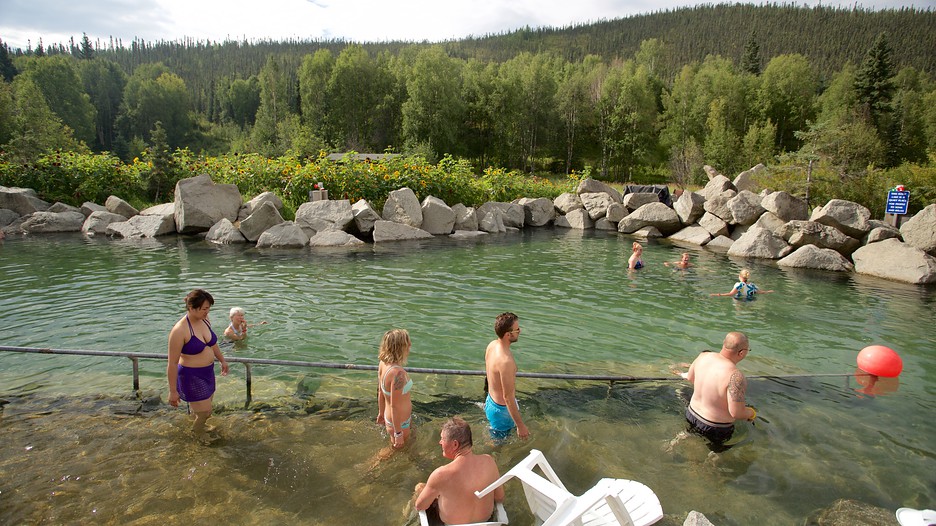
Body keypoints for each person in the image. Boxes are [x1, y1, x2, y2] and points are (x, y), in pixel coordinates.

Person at [413, 417, 505, 525]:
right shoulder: (489, 462)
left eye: (442, 438)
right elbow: (500, 497)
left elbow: (420, 506)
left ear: (455, 444)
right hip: (487, 522)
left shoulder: (440, 474)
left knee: (419, 488)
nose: (440, 442)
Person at [167, 289, 230, 440]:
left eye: (208, 308)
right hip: (191, 376)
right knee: (205, 412)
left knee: (206, 405)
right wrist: (173, 391)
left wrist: (222, 360)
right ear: (191, 308)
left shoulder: (205, 320)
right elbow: (172, 363)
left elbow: (212, 344)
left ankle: (197, 423)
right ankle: (197, 433)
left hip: (207, 372)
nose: (207, 312)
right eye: (204, 309)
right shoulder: (179, 330)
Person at [684, 331, 757, 450]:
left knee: (690, 433)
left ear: (724, 344)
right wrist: (752, 413)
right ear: (742, 353)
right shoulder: (735, 376)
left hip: (691, 414)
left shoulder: (703, 356)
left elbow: (690, 378)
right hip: (715, 427)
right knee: (716, 452)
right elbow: (736, 413)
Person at [484, 312, 529, 440]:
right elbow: (508, 397)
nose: (520, 331)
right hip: (501, 411)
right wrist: (521, 426)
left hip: (490, 401)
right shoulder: (506, 362)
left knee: (497, 440)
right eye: (517, 329)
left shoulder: (492, 345)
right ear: (508, 334)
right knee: (500, 447)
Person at [376, 328, 413, 449]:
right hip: (399, 424)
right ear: (400, 347)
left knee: (407, 447)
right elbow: (394, 406)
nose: (410, 345)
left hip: (392, 419)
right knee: (395, 452)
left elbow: (380, 391)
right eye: (407, 343)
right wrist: (398, 433)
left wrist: (381, 413)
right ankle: (371, 466)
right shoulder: (398, 374)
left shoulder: (383, 363)